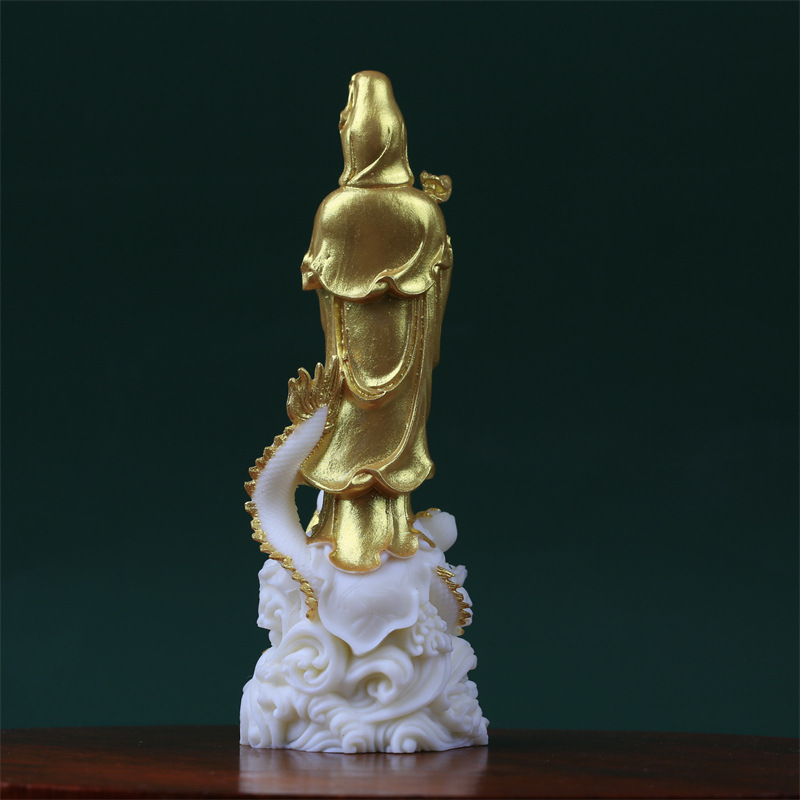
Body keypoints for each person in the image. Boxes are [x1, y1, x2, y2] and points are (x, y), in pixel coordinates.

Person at [290, 70, 453, 572]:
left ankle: (356, 533)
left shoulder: (336, 210)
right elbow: (437, 284)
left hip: (351, 353)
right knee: (376, 429)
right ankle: (381, 531)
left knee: (350, 423)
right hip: (401, 355)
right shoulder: (423, 212)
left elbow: (321, 287)